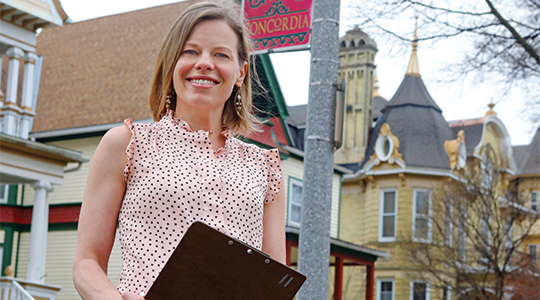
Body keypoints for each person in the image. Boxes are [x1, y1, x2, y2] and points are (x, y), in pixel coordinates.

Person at [72, 1, 285, 299]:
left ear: (240, 72)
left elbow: (273, 282)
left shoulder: (264, 166)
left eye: (220, 54)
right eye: (191, 51)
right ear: (172, 63)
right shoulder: (127, 144)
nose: (204, 63)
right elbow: (86, 261)